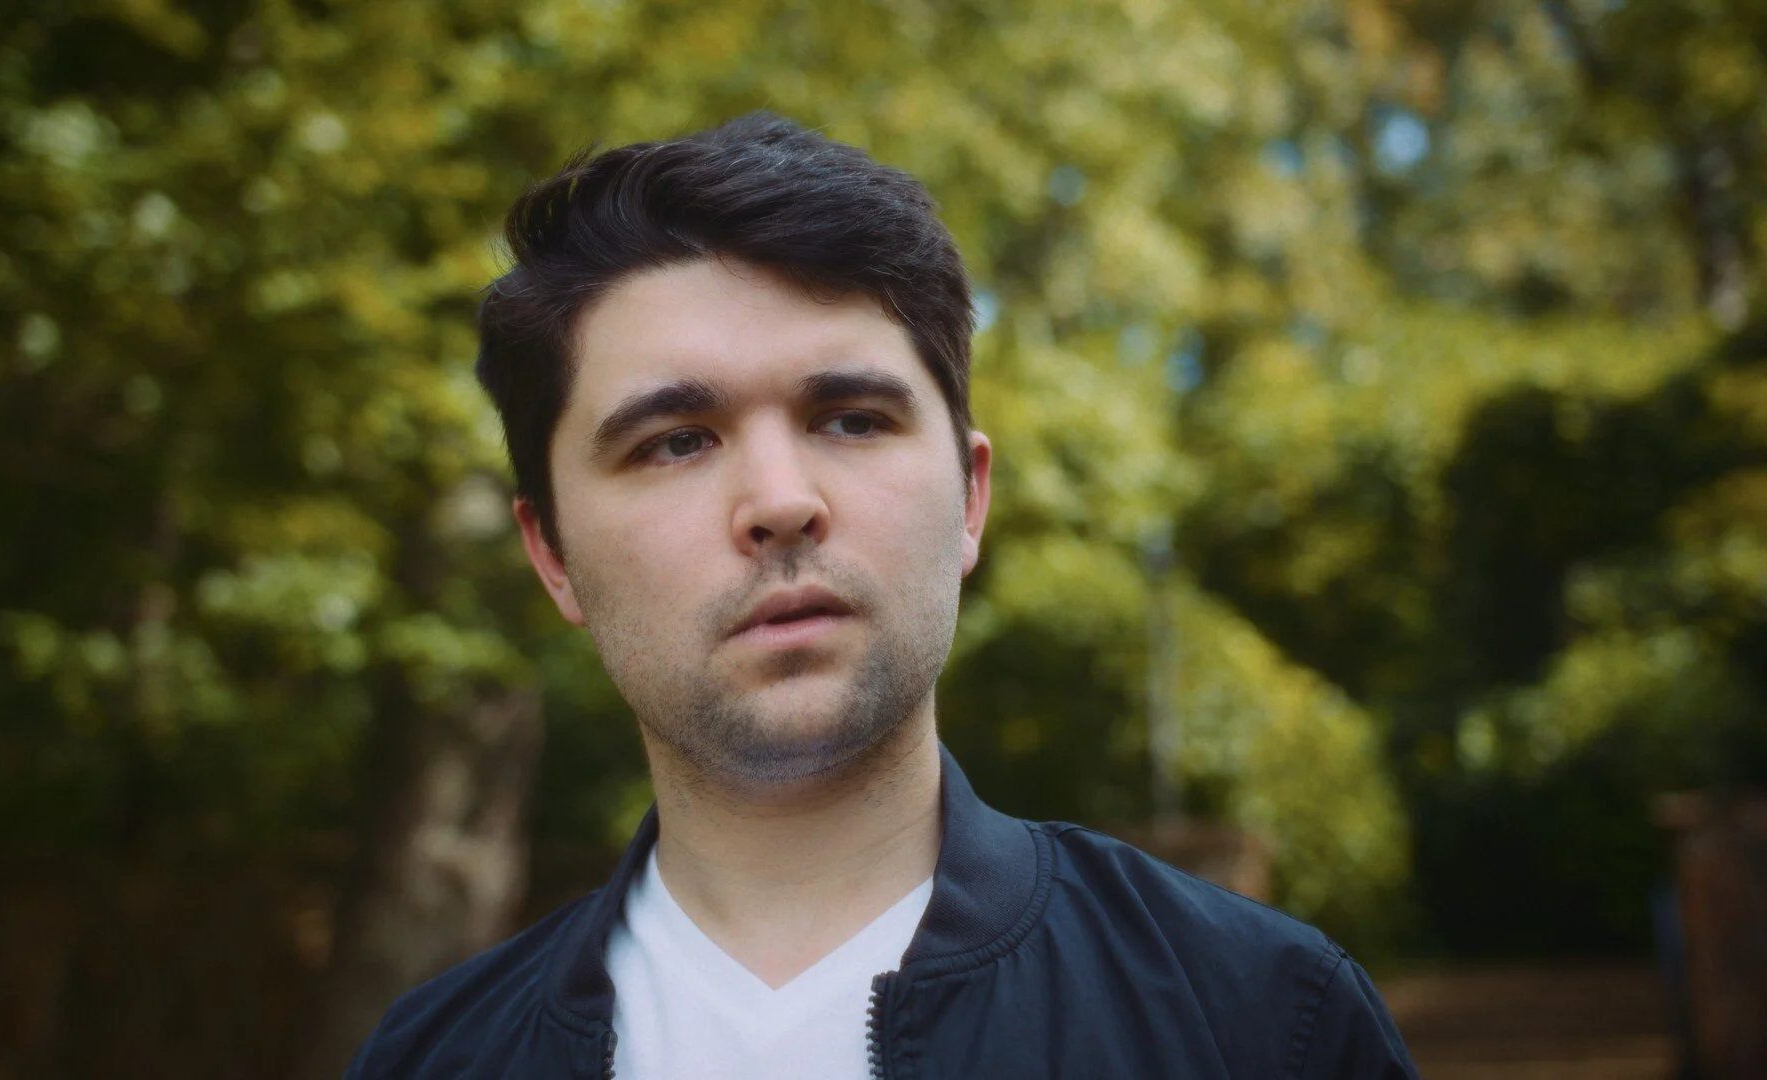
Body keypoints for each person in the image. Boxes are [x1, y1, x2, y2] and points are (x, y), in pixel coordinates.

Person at [344, 113, 1417, 1079]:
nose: (779, 502)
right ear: (554, 556)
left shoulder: (1260, 1022)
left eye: (851, 417)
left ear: (969, 498)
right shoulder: (433, 1063)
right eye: (675, 442)